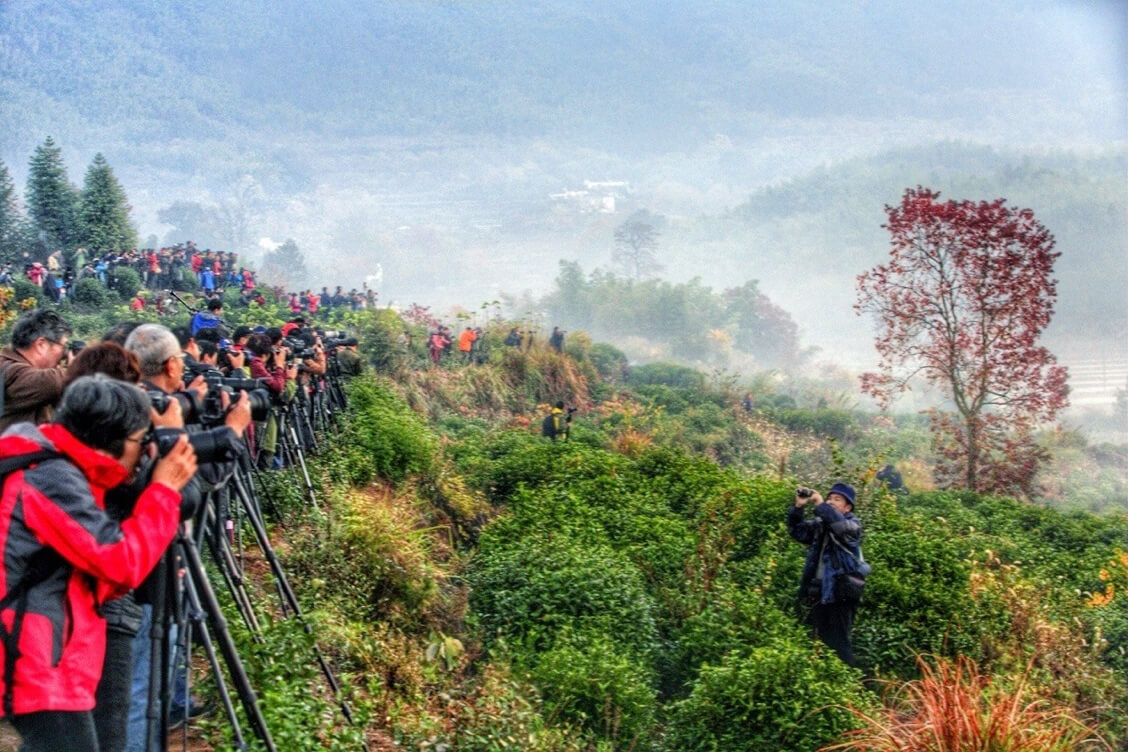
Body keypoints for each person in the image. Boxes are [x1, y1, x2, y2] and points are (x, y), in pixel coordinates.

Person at [0, 375, 197, 752]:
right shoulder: (50, 477)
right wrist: (163, 491)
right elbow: (119, 563)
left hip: (51, 649)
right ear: (114, 441)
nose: (144, 453)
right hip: (35, 653)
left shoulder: (58, 467)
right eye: (142, 441)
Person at [787, 482, 869, 666]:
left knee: (839, 642)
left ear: (848, 507)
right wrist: (798, 507)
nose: (831, 502)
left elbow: (839, 526)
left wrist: (820, 504)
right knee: (817, 639)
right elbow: (797, 532)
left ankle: (851, 684)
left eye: (837, 500)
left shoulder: (852, 526)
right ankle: (825, 681)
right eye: (830, 498)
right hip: (820, 591)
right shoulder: (821, 524)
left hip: (841, 594)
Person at [0, 309, 72, 433]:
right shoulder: (10, 370)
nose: (64, 354)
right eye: (63, 347)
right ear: (41, 345)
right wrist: (78, 365)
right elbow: (51, 382)